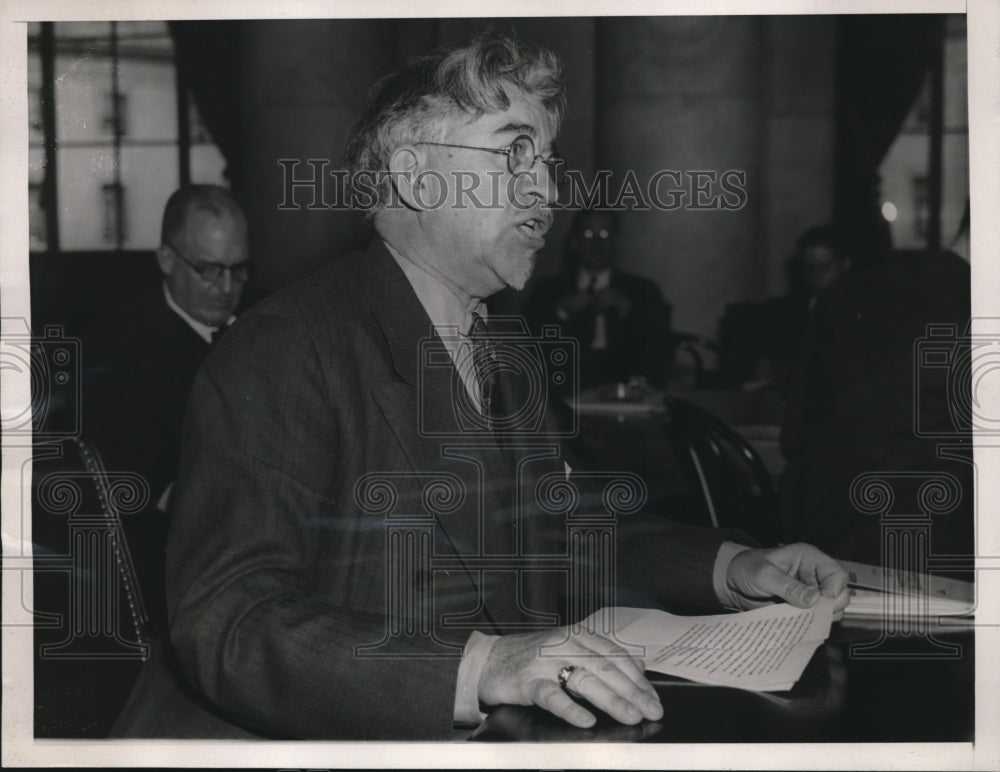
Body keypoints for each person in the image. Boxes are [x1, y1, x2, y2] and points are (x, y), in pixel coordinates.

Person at [112, 34, 848, 740]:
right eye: (514, 153)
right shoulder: (282, 349)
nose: (547, 189)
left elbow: (564, 529)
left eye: (549, 160)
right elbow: (229, 621)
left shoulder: (504, 344)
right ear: (412, 176)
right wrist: (482, 666)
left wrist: (735, 567)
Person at [82, 184, 249, 633]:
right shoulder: (115, 347)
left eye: (238, 269)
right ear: (167, 259)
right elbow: (129, 481)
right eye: (209, 270)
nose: (227, 288)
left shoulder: (267, 320)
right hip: (172, 558)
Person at [524, 209, 672, 387]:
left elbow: (663, 348)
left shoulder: (643, 290)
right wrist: (561, 311)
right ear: (574, 242)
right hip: (565, 389)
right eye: (588, 233)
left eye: (605, 233)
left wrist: (628, 309)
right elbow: (526, 346)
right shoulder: (547, 290)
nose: (597, 242)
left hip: (627, 390)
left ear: (616, 241)